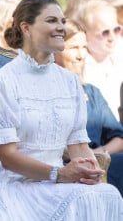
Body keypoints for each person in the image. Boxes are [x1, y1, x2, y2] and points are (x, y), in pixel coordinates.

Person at [0, 0, 123, 221]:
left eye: (62, 21)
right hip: (17, 185)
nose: (60, 28)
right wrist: (59, 174)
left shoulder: (70, 82)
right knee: (84, 199)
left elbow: (78, 145)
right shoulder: (2, 82)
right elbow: (8, 158)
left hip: (60, 182)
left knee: (109, 194)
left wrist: (90, 168)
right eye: (51, 21)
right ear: (26, 28)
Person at [54, 18, 123, 197]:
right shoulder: (46, 92)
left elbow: (119, 137)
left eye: (84, 47)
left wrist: (99, 154)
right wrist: (81, 156)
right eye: (73, 48)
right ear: (55, 51)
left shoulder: (91, 92)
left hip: (100, 160)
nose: (81, 55)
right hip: (65, 165)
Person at [65, 0, 123, 121]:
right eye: (105, 32)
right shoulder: (78, 66)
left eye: (117, 30)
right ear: (87, 35)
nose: (112, 37)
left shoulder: (119, 57)